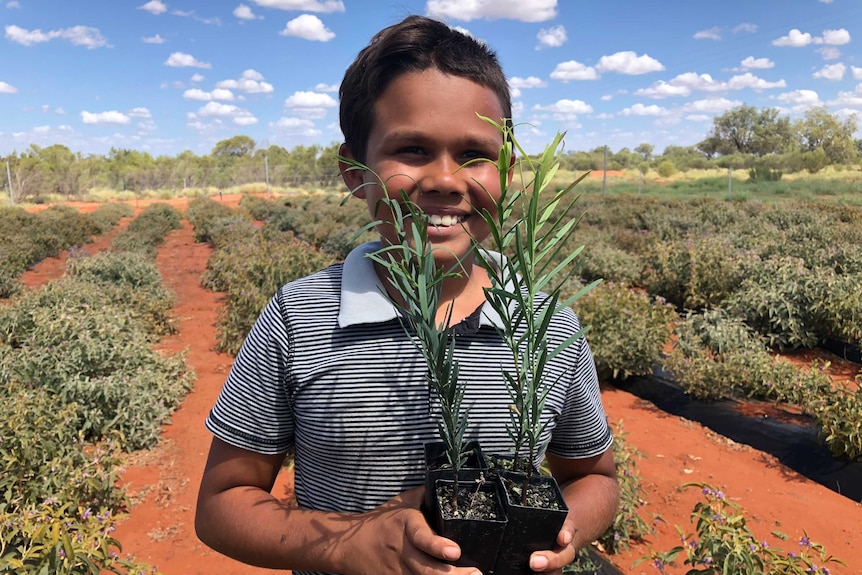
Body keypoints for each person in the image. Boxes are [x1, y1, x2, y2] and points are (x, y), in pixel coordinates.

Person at [195, 14, 619, 575]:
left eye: (475, 154)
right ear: (355, 172)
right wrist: (350, 544)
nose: (446, 178)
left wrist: (566, 530)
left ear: (508, 172)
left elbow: (594, 476)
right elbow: (222, 504)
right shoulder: (298, 320)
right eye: (412, 150)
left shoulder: (546, 325)